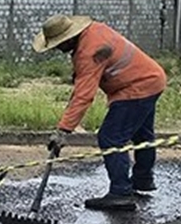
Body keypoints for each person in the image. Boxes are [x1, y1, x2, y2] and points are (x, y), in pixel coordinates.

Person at [33, 14, 166, 211]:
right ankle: (143, 180)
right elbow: (82, 84)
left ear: (69, 38)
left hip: (134, 88)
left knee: (111, 138)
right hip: (152, 79)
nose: (58, 49)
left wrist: (63, 131)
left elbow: (84, 96)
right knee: (142, 135)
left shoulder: (89, 51)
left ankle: (120, 193)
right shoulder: (94, 30)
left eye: (58, 44)